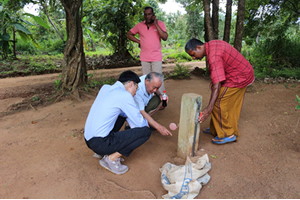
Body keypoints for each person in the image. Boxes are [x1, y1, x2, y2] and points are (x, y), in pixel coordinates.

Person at [185, 38, 255, 145]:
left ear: (199, 47)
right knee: (220, 101)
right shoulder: (212, 45)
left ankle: (227, 134)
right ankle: (216, 129)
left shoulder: (213, 56)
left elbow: (217, 84)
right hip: (239, 73)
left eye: (193, 54)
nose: (194, 57)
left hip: (240, 76)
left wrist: (209, 109)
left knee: (217, 103)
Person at [84, 70, 151, 175]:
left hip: (89, 139)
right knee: (146, 132)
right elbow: (140, 123)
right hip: (100, 143)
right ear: (131, 84)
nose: (135, 92)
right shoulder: (124, 95)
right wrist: (144, 125)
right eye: (136, 88)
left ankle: (101, 153)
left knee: (122, 115)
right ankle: (111, 159)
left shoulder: (105, 88)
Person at [127, 6, 168, 94]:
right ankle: (149, 100)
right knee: (146, 80)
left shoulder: (160, 24)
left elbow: (164, 37)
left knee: (157, 79)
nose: (147, 16)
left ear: (153, 14)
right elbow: (129, 34)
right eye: (145, 15)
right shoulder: (139, 25)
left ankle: (161, 99)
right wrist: (139, 41)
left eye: (149, 14)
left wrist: (156, 24)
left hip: (156, 57)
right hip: (144, 57)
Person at [133, 72, 172, 136]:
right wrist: (159, 127)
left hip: (143, 105)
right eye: (154, 87)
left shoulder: (149, 79)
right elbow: (141, 111)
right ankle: (132, 125)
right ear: (147, 81)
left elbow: (156, 89)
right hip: (133, 110)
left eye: (157, 88)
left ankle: (147, 122)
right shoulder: (137, 90)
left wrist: (160, 95)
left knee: (159, 99)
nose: (155, 90)